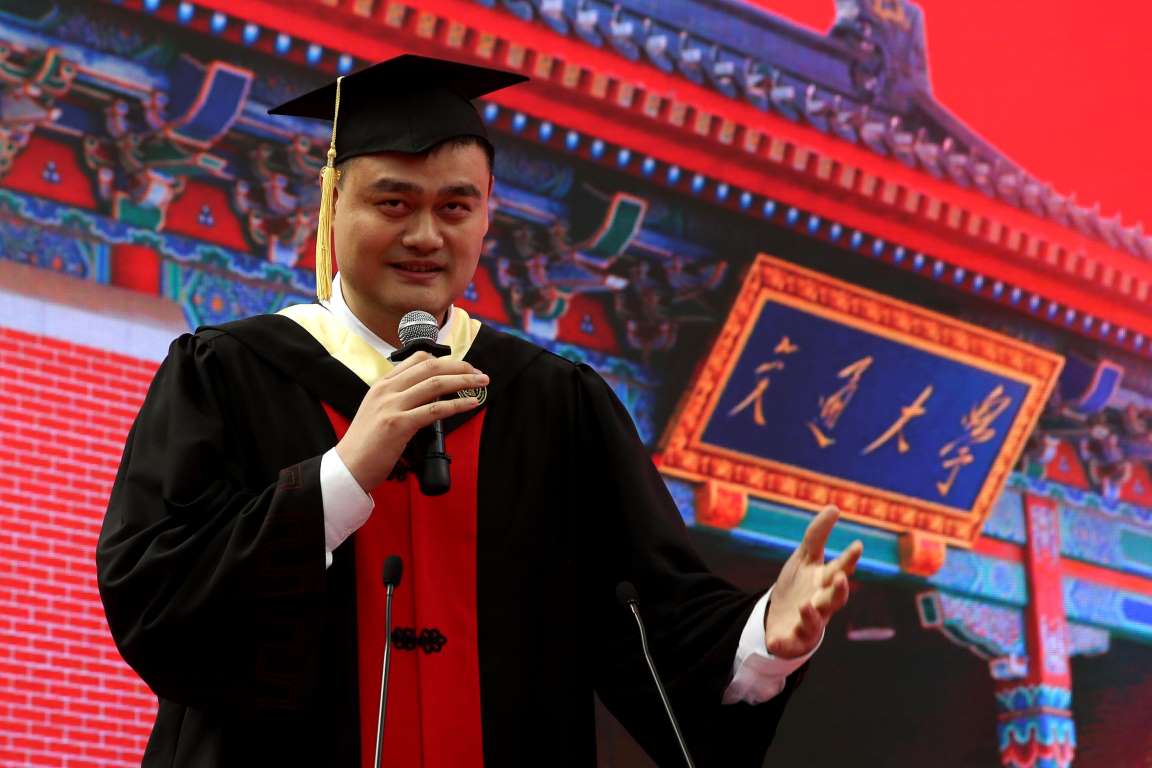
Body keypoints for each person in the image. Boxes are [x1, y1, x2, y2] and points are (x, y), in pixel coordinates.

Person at [97, 54, 863, 767]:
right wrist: (340, 478)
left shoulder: (554, 404)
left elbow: (654, 620)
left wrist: (768, 638)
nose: (425, 235)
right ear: (330, 204)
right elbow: (157, 599)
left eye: (455, 206)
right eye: (393, 203)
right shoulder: (229, 375)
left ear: (487, 217)